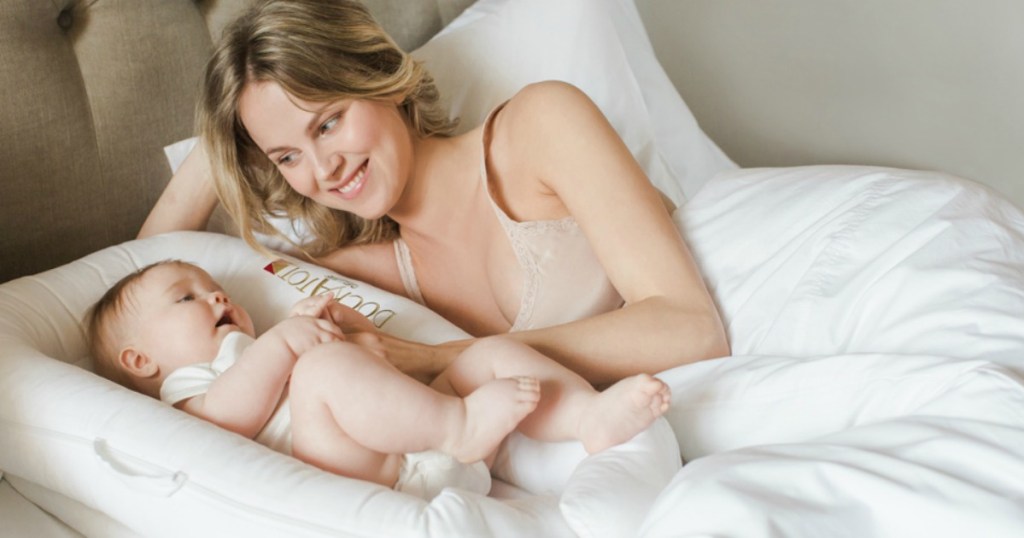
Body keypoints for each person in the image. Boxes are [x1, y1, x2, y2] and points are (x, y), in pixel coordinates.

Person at [139, 0, 729, 387]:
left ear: (380, 79)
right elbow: (141, 276)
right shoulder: (368, 271)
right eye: (287, 157)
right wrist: (222, 147)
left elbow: (691, 329)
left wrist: (443, 359)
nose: (323, 169)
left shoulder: (539, 127)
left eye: (328, 123)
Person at [87, 259, 672, 499]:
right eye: (185, 297)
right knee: (319, 370)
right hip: (359, 470)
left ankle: (586, 417)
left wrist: (351, 332)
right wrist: (287, 345)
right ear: (141, 360)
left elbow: (372, 373)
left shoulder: (259, 341)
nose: (216, 294)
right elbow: (225, 420)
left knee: (491, 354)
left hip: (417, 436)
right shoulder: (184, 391)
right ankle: (463, 425)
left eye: (215, 287)